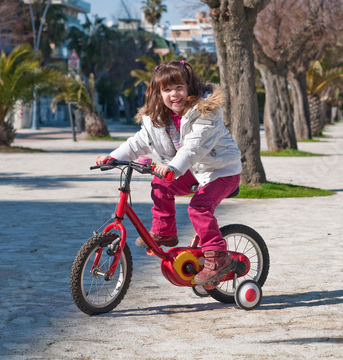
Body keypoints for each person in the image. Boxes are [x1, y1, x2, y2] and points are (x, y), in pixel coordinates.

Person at [95, 60, 241, 285]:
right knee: (161, 185)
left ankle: (217, 256)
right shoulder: (156, 118)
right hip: (192, 169)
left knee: (199, 208)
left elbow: (194, 146)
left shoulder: (205, 114)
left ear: (189, 87)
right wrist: (114, 157)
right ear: (157, 93)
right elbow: (138, 143)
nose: (174, 94)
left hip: (221, 171)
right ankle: (165, 232)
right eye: (167, 89)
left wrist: (172, 167)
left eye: (179, 87)